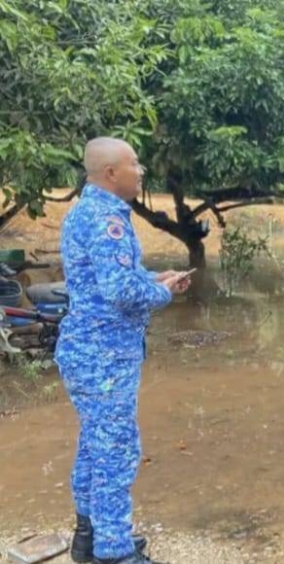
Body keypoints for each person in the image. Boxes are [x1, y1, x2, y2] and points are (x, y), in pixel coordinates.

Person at [55, 137, 190, 564]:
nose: (142, 170)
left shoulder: (87, 211)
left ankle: (88, 537)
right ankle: (113, 552)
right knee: (116, 450)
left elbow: (110, 277)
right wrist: (162, 292)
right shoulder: (107, 220)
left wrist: (156, 276)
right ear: (111, 173)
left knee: (95, 444)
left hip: (88, 351)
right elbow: (120, 292)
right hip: (103, 356)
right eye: (135, 163)